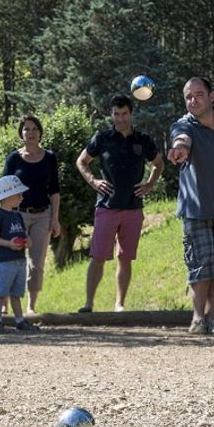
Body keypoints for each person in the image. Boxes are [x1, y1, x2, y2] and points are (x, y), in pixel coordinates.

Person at [166, 77, 214, 335]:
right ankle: (198, 317)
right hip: (195, 207)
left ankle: (211, 316)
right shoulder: (182, 125)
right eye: (188, 97)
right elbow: (181, 139)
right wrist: (180, 150)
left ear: (212, 96)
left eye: (198, 95)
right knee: (201, 264)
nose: (193, 100)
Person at [75, 94, 164, 313]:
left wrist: (149, 185)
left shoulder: (143, 140)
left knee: (125, 258)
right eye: (116, 114)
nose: (121, 118)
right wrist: (93, 181)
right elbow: (82, 162)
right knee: (97, 257)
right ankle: (88, 304)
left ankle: (119, 305)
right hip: (107, 206)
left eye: (124, 114)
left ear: (131, 114)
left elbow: (158, 164)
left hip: (133, 207)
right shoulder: (102, 138)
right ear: (111, 114)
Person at [2, 115, 61, 315]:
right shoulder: (13, 159)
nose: (31, 133)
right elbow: (5, 190)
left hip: (42, 215)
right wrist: (5, 218)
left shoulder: (50, 157)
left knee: (36, 263)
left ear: (40, 132)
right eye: (26, 129)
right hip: (17, 215)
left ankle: (31, 306)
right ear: (21, 134)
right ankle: (6, 303)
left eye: (34, 129)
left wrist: (55, 219)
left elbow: (54, 190)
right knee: (12, 259)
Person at [0, 175, 40, 334]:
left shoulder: (17, 215)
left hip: (19, 261)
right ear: (6, 195)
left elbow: (24, 234)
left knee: (16, 293)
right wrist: (9, 244)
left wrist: (28, 240)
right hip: (5, 262)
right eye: (18, 194)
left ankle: (19, 320)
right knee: (1, 292)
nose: (21, 197)